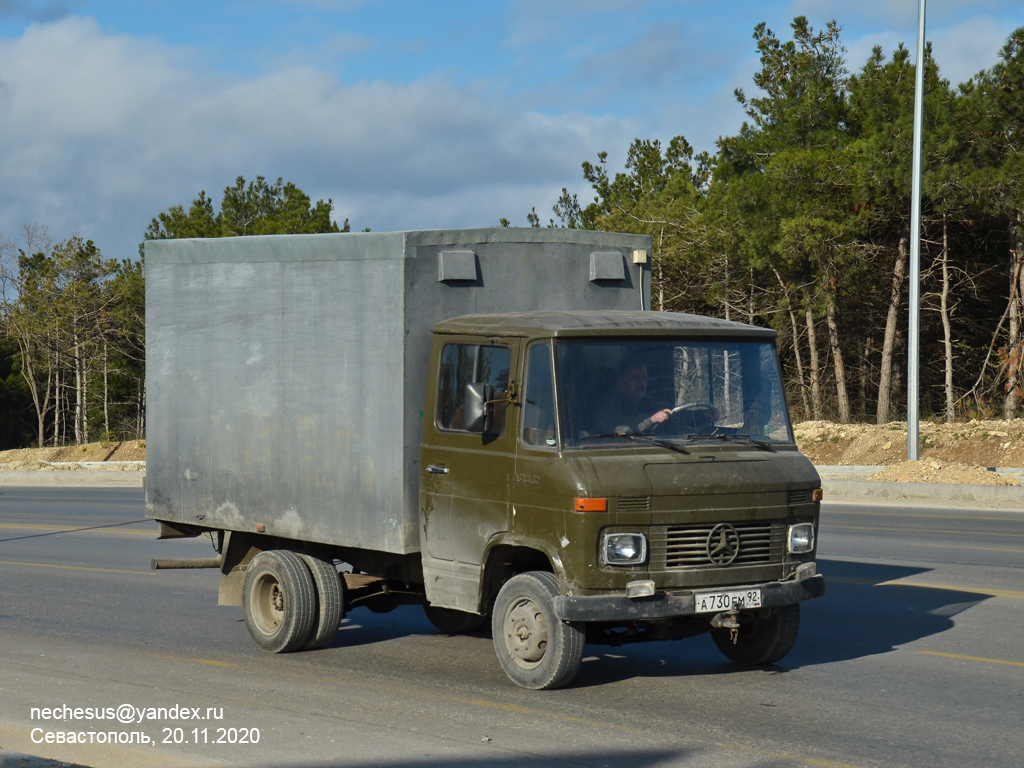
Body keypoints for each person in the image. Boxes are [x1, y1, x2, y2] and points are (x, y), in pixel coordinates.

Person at [589, 360, 673, 434]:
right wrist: (650, 420)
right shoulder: (607, 403)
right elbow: (617, 426)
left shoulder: (650, 403)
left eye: (644, 378)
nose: (642, 383)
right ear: (620, 380)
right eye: (635, 377)